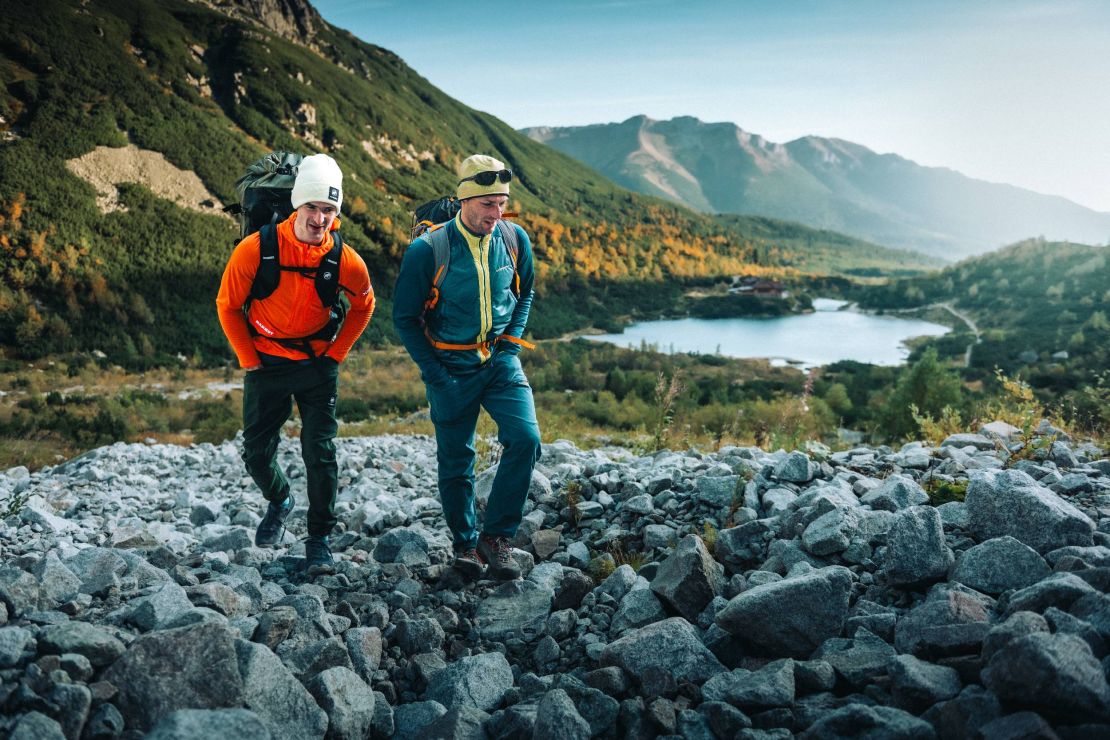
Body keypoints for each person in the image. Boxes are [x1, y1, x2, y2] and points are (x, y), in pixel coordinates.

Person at [216, 153, 374, 573]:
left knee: (319, 452)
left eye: (328, 210)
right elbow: (228, 306)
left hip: (317, 364)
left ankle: (318, 537)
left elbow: (364, 306)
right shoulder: (256, 249)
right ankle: (280, 499)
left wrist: (336, 354)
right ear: (296, 206)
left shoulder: (345, 260)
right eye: (312, 207)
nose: (320, 219)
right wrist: (249, 359)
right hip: (265, 363)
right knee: (255, 453)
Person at [394, 154, 542, 580]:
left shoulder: (514, 239)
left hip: (499, 361)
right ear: (464, 201)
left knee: (526, 438)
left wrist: (511, 345)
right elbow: (404, 317)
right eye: (487, 205)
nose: (497, 215)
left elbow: (526, 292)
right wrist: (435, 373)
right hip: (449, 366)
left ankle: (495, 538)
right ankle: (465, 546)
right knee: (457, 459)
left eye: (502, 204)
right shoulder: (429, 251)